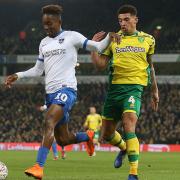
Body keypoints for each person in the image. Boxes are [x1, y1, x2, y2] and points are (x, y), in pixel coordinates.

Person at [4, 4, 120, 179]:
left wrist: (110, 37)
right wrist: (18, 75)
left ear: (59, 21)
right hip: (50, 95)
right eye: (44, 24)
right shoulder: (43, 43)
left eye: (50, 24)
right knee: (63, 140)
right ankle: (87, 136)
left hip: (67, 90)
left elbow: (96, 46)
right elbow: (38, 70)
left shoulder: (71, 36)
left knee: (49, 119)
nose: (46, 27)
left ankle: (38, 166)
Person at [91, 4, 159, 180]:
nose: (122, 23)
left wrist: (154, 90)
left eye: (126, 19)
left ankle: (133, 173)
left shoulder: (148, 40)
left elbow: (150, 66)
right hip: (114, 90)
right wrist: (94, 47)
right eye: (120, 20)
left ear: (135, 20)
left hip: (134, 89)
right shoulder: (113, 39)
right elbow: (100, 65)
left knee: (129, 124)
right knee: (106, 134)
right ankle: (123, 148)